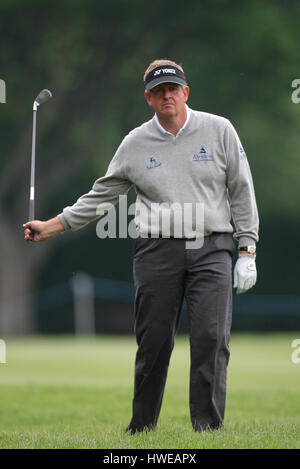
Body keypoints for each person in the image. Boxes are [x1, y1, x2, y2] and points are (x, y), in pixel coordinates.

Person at [24, 59, 259, 433]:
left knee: (211, 338)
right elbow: (102, 195)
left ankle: (208, 430)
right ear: (149, 98)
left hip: (212, 247)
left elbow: (241, 191)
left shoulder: (220, 130)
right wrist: (53, 226)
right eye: (159, 91)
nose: (168, 95)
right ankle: (142, 428)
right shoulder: (135, 143)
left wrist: (247, 249)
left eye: (173, 88)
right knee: (153, 343)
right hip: (156, 251)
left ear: (186, 92)